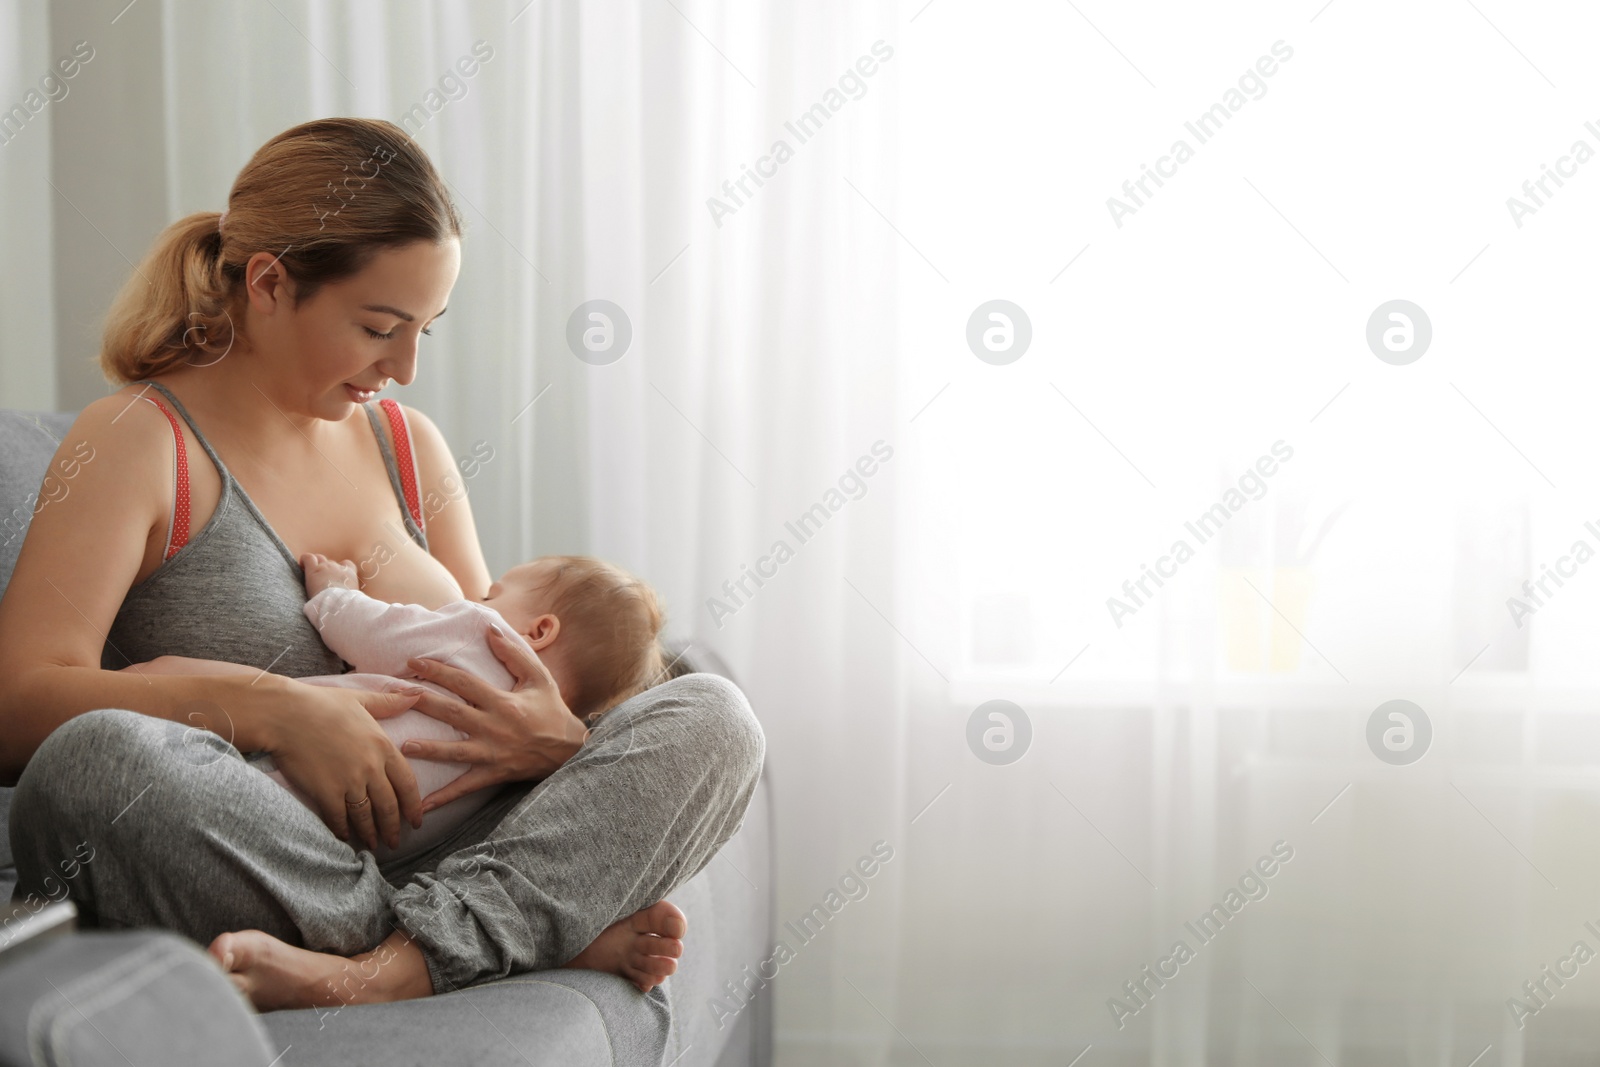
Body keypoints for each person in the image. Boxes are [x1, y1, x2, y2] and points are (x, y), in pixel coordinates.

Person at [0, 117, 763, 1008]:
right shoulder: (138, 442)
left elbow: (491, 648)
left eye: (424, 333)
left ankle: (390, 967)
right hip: (270, 841)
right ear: (272, 283)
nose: (401, 367)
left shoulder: (408, 446)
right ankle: (499, 936)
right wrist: (274, 709)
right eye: (378, 327)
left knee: (715, 714)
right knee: (93, 768)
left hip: (465, 838)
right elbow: (19, 706)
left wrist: (558, 740)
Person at [132, 551, 669, 866]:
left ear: (540, 630)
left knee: (161, 698)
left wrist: (335, 593)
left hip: (295, 772)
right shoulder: (520, 771)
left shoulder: (484, 635)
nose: (479, 602)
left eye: (492, 593)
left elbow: (377, 633)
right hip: (373, 848)